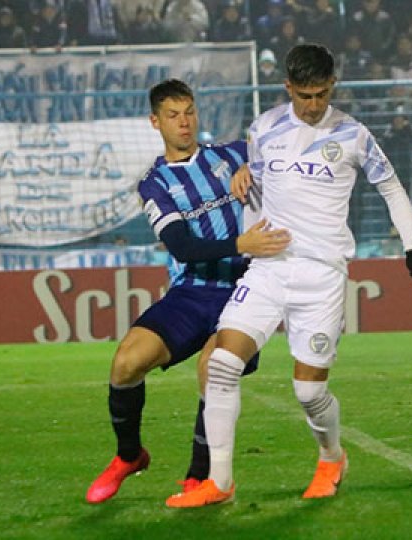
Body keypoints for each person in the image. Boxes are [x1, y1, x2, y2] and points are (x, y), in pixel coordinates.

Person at [166, 43, 412, 508]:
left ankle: (331, 457)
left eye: (322, 95)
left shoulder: (353, 135)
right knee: (223, 364)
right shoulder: (264, 128)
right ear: (288, 88)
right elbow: (258, 191)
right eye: (305, 96)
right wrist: (247, 220)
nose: (313, 106)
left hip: (321, 274)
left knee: (309, 390)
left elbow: (390, 186)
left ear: (333, 86)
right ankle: (220, 481)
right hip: (269, 266)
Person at [85, 79, 292, 504]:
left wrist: (255, 166)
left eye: (190, 112)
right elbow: (183, 246)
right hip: (191, 292)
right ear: (155, 122)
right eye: (173, 115)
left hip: (246, 291)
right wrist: (240, 244)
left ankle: (200, 476)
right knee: (126, 362)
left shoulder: (231, 154)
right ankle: (129, 456)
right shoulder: (154, 184)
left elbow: (280, 145)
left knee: (211, 366)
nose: (184, 122)